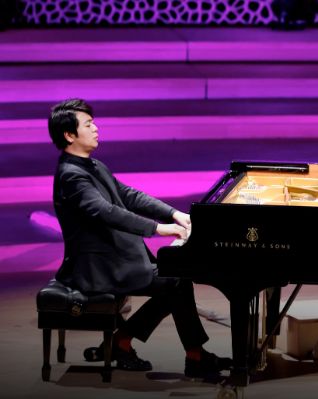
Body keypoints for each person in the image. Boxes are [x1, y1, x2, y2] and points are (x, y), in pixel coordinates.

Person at [48, 98, 232, 377]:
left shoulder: (92, 165)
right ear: (69, 135)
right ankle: (187, 355)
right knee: (175, 282)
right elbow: (106, 212)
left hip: (116, 257)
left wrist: (173, 214)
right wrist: (159, 229)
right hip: (98, 267)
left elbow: (129, 196)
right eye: (88, 124)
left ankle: (130, 342)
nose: (96, 128)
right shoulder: (71, 176)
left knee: (175, 281)